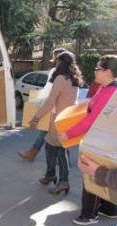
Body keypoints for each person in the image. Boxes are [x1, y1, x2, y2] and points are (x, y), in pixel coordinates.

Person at [57, 55, 117, 225]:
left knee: (91, 175)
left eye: (98, 69)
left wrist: (68, 134)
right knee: (104, 173)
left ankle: (90, 214)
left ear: (108, 72)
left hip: (101, 141)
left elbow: (92, 119)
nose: (95, 71)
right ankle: (109, 210)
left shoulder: (109, 91)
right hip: (107, 140)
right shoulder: (109, 87)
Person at [30, 51, 84, 194]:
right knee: (51, 147)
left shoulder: (61, 78)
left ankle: (63, 181)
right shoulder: (74, 79)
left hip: (59, 121)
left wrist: (36, 118)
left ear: (61, 63)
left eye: (57, 61)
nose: (55, 63)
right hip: (67, 119)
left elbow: (49, 102)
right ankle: (51, 174)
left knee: (60, 152)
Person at [19, 48, 66, 161]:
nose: (53, 59)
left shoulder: (55, 72)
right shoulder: (71, 73)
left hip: (53, 107)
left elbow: (48, 90)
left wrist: (38, 101)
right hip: (63, 109)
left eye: (54, 57)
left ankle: (60, 161)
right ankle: (34, 153)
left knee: (49, 133)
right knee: (49, 133)